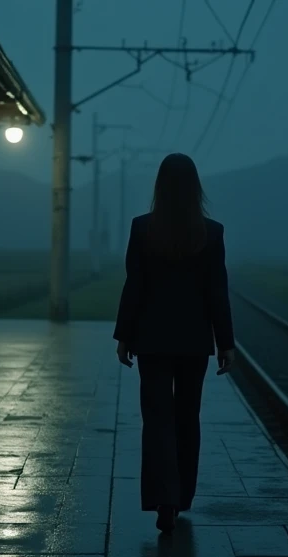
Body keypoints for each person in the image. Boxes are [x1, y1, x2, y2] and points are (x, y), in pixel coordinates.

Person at [113, 152, 236, 534]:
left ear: (159, 187)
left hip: (151, 339)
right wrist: (225, 342)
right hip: (194, 342)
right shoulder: (211, 232)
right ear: (195, 187)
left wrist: (124, 336)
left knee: (157, 420)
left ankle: (163, 498)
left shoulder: (142, 227)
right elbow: (218, 291)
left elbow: (134, 285)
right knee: (187, 418)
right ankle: (180, 497)